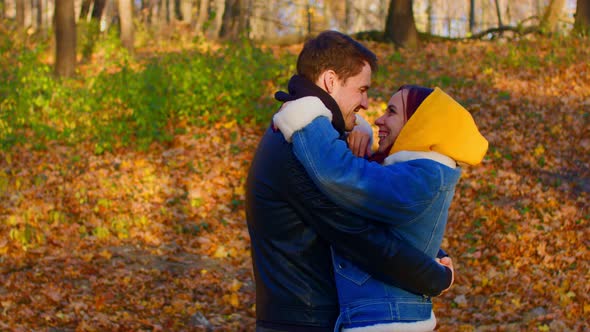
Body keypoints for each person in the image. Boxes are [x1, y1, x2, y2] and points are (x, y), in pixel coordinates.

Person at [246, 30, 454, 332]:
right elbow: (358, 236)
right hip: (303, 320)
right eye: (361, 89)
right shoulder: (299, 150)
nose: (366, 103)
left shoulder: (309, 138)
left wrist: (434, 252)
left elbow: (371, 213)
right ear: (331, 81)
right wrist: (435, 276)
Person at [272, 85, 489, 331]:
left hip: (385, 320)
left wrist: (306, 119)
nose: (378, 119)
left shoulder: (422, 177)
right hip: (380, 317)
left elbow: (341, 176)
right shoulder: (414, 174)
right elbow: (396, 230)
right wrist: (359, 130)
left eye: (392, 112)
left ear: (419, 124)